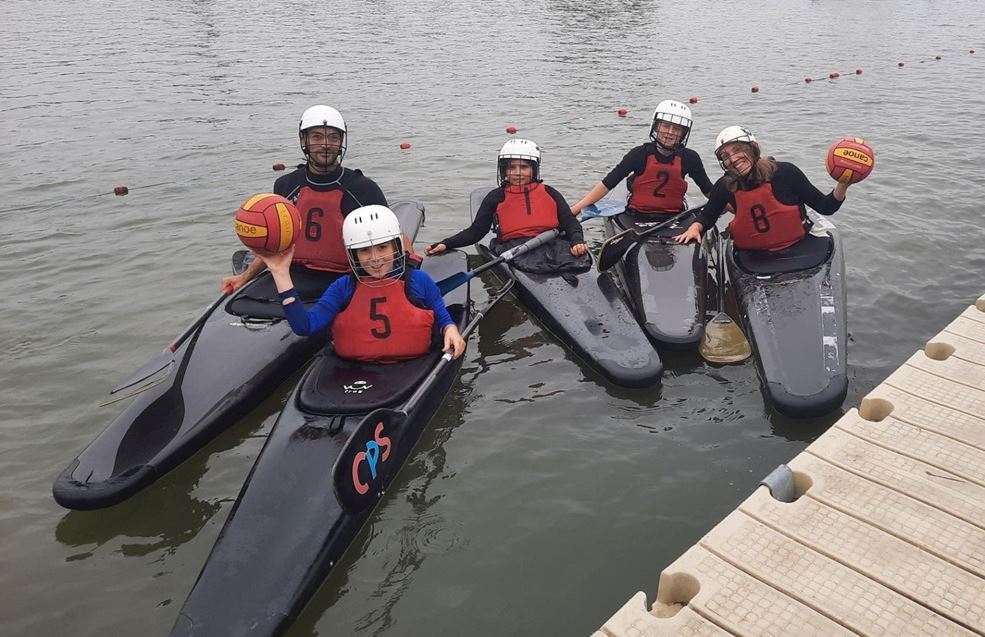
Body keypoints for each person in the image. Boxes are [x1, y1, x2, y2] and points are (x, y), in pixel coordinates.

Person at [253, 205, 466, 363]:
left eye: (382, 248)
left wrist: (451, 330)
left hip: (414, 365)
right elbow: (304, 326)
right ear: (353, 253)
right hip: (353, 369)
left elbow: (443, 318)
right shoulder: (343, 287)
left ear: (396, 247)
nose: (374, 258)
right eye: (365, 250)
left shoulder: (418, 281)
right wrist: (281, 274)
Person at [221, 104, 392, 295]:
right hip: (290, 275)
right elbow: (275, 244)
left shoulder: (363, 188)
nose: (325, 145)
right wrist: (244, 278)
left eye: (333, 137)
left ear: (341, 141)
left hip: (344, 280)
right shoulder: (286, 185)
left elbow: (393, 241)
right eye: (317, 137)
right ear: (304, 139)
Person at [673, 126, 850, 251]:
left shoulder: (786, 173)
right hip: (753, 256)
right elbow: (707, 217)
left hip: (797, 245)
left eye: (737, 150)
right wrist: (695, 228)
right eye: (725, 156)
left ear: (753, 149)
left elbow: (827, 207)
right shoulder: (725, 186)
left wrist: (844, 183)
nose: (732, 159)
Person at [425, 139, 588, 265]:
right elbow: (476, 232)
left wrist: (577, 241)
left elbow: (570, 222)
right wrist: (446, 244)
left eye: (524, 167)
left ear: (533, 169)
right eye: (512, 168)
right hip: (514, 249)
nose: (517, 173)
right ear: (504, 171)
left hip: (552, 243)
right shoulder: (496, 197)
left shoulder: (549, 192)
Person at [570, 100, 714, 216]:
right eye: (665, 126)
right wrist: (574, 210)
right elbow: (608, 184)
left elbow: (709, 191)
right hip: (637, 214)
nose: (670, 133)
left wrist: (733, 209)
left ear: (684, 133)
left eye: (676, 129)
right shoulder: (639, 154)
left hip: (674, 216)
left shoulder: (690, 158)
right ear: (656, 127)